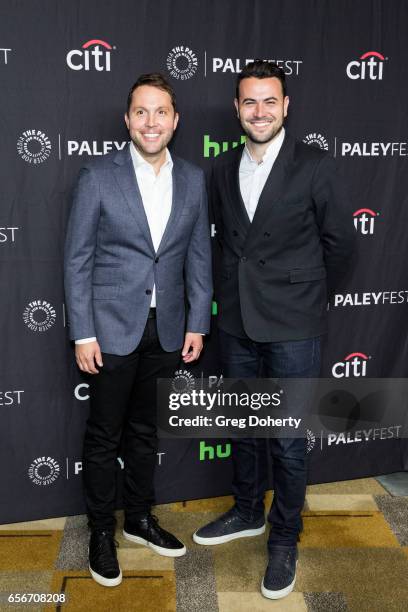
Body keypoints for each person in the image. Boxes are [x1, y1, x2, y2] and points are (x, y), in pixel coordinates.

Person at [193, 61, 355, 600]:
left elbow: (342, 247)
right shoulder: (220, 170)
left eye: (269, 101)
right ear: (236, 109)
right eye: (249, 102)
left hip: (293, 327)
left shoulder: (314, 165)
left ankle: (284, 536)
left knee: (286, 440)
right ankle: (246, 511)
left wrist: (306, 299)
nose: (258, 112)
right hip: (236, 322)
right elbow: (220, 244)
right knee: (243, 426)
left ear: (285, 106)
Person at [64, 73, 212, 587]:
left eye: (161, 112)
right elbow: (77, 259)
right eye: (141, 112)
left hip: (167, 330)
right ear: (128, 119)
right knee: (105, 435)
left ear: (175, 120)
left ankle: (141, 518)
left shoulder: (193, 179)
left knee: (147, 432)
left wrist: (198, 322)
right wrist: (82, 332)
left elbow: (198, 256)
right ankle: (102, 532)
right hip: (109, 330)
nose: (152, 122)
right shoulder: (97, 176)